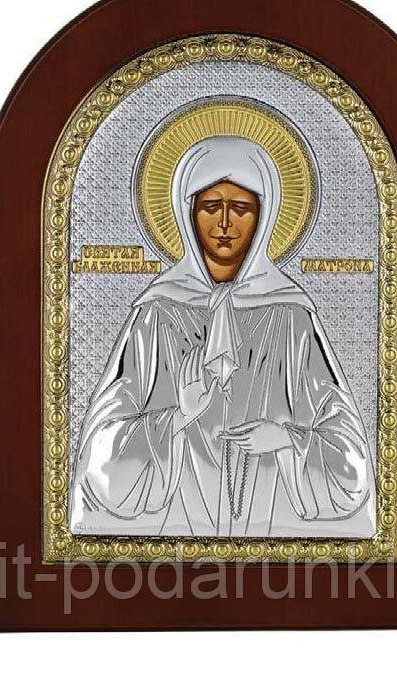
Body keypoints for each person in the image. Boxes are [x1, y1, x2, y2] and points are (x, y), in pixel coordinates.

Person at [69, 135, 375, 537]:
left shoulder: (291, 316)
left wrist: (285, 439)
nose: (226, 223)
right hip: (170, 535)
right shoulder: (157, 314)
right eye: (212, 206)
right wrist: (179, 416)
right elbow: (99, 459)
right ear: (188, 212)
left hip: (274, 519)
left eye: (242, 208)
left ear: (265, 216)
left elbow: (351, 459)